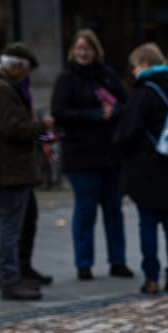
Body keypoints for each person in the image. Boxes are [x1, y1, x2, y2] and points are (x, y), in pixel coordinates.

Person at [113, 43, 168, 294]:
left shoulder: (143, 92)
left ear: (144, 65)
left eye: (136, 66)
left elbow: (126, 134)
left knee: (148, 224)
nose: (134, 71)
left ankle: (151, 278)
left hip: (146, 167)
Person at [51, 29, 132, 281]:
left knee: (114, 210)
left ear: (96, 50)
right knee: (85, 210)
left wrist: (115, 110)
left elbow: (127, 104)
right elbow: (59, 112)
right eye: (79, 49)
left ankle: (117, 260)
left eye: (87, 49)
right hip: (81, 155)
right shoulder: (66, 78)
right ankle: (83, 263)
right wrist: (91, 115)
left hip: (109, 153)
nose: (83, 53)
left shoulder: (107, 75)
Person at [0, 42, 54, 300]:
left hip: (12, 168)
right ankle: (10, 280)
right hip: (10, 169)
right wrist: (40, 126)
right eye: (26, 69)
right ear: (17, 67)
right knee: (10, 225)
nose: (27, 75)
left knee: (25, 219)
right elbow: (13, 129)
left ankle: (20, 271)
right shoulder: (0, 89)